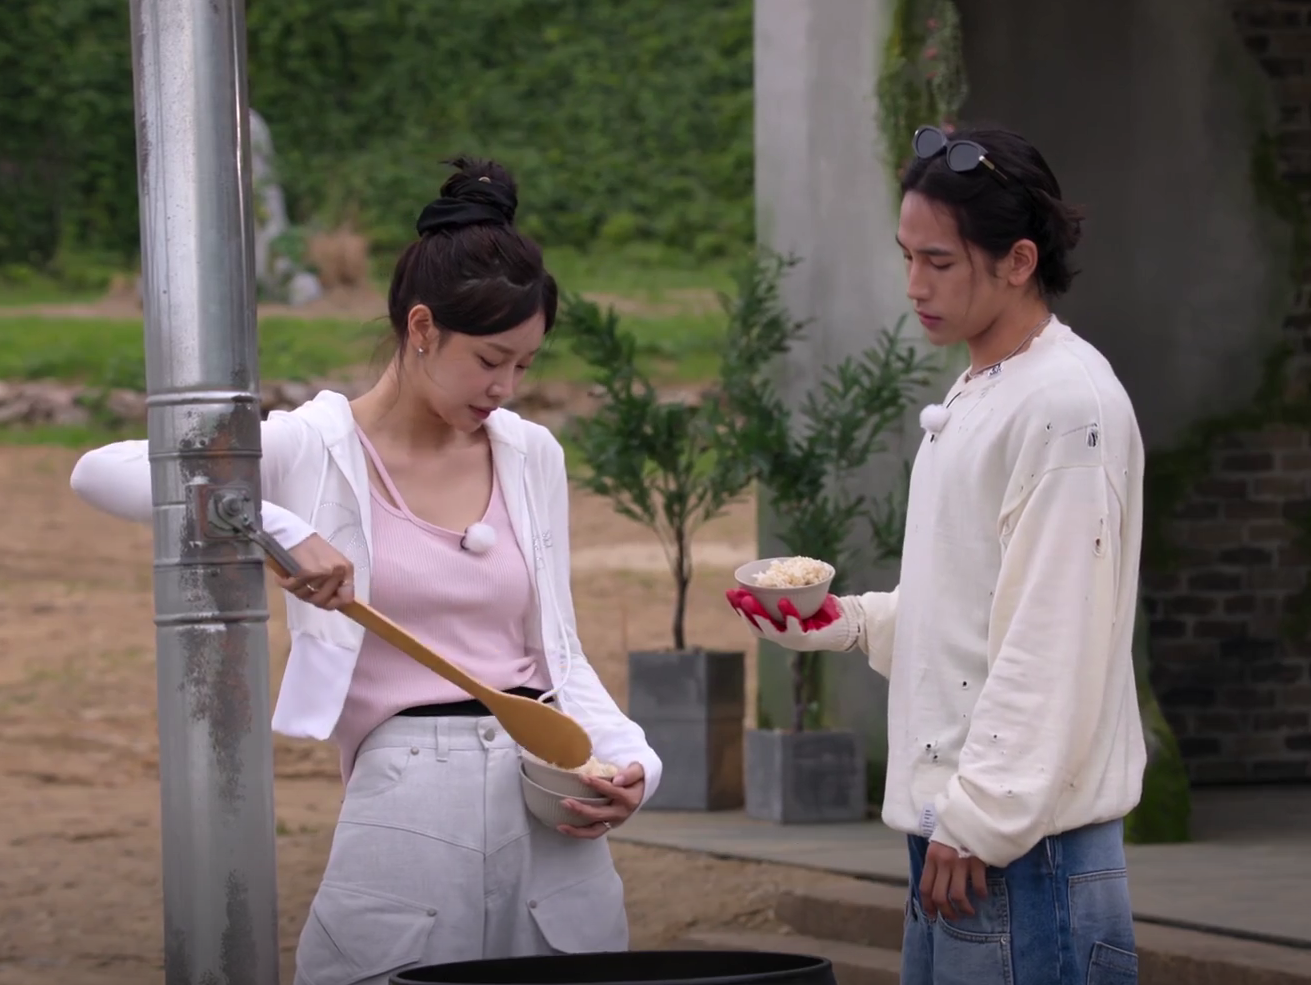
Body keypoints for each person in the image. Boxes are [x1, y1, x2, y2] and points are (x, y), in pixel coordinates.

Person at [70, 157, 662, 982]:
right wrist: (278, 527)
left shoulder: (532, 453)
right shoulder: (310, 446)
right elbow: (100, 471)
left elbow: (558, 653)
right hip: (406, 791)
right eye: (490, 358)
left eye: (525, 365)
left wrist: (630, 760)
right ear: (422, 327)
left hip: (546, 790)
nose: (506, 386)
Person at [727, 125, 1146, 985]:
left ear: (1018, 260)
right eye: (906, 256)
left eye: (939, 261)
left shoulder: (1067, 405)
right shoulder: (986, 384)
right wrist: (844, 622)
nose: (914, 284)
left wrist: (979, 816)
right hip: (964, 835)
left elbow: (1049, 637)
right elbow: (971, 607)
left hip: (1022, 850)